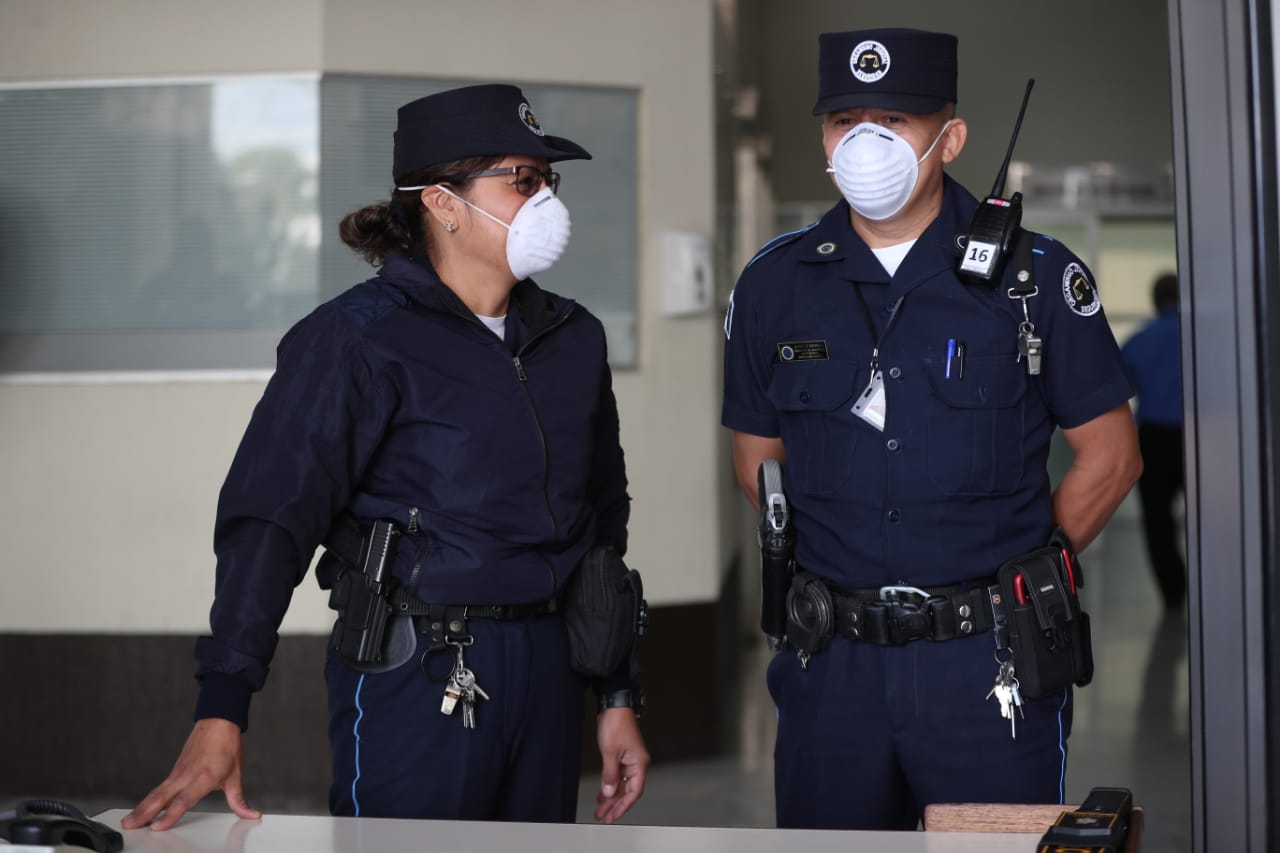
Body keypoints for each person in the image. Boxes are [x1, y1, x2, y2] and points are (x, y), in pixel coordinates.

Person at [123, 83, 649, 831]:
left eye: (547, 181)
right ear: (442, 201)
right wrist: (223, 707)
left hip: (550, 669)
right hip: (421, 671)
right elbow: (270, 521)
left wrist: (617, 694)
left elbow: (603, 522)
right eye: (521, 181)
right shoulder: (357, 340)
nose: (544, 203)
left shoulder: (574, 338)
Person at [721, 28, 1142, 830]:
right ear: (822, 135)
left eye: (895, 120)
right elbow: (757, 462)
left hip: (985, 661)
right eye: (846, 121)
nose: (865, 142)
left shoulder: (1036, 277)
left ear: (949, 138)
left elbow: (1112, 458)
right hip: (830, 663)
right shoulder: (775, 282)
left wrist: (1024, 580)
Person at [1121, 273, 1185, 609]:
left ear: (1155, 301)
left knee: (1157, 520)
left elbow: (1119, 390)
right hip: (1206, 439)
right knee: (1219, 516)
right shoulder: (1202, 338)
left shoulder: (1139, 341)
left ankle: (1174, 592)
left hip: (1156, 437)